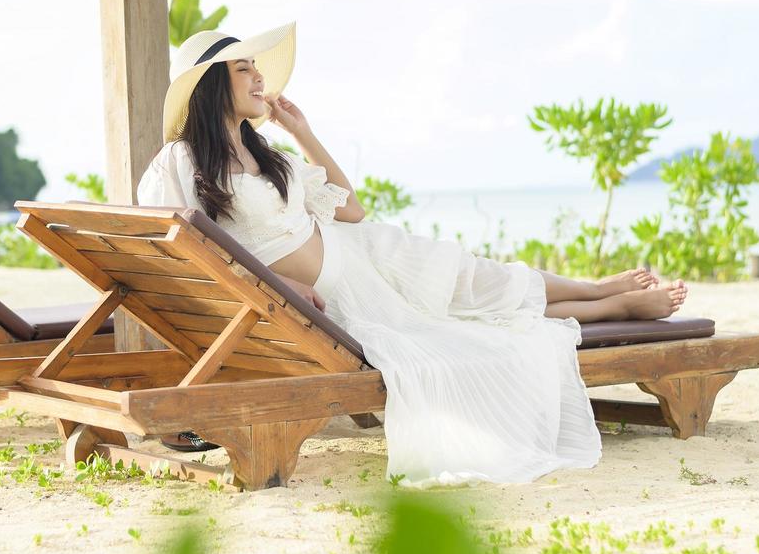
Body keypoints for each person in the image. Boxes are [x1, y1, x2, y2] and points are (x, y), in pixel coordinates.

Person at [137, 24, 688, 486]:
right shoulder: (180, 162)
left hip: (367, 253)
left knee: (479, 283)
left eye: (258, 67)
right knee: (469, 323)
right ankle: (616, 307)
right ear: (212, 86)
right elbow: (188, 253)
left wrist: (302, 131)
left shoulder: (268, 153)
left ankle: (597, 289)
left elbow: (349, 209)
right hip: (342, 293)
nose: (260, 78)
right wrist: (276, 294)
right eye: (244, 69)